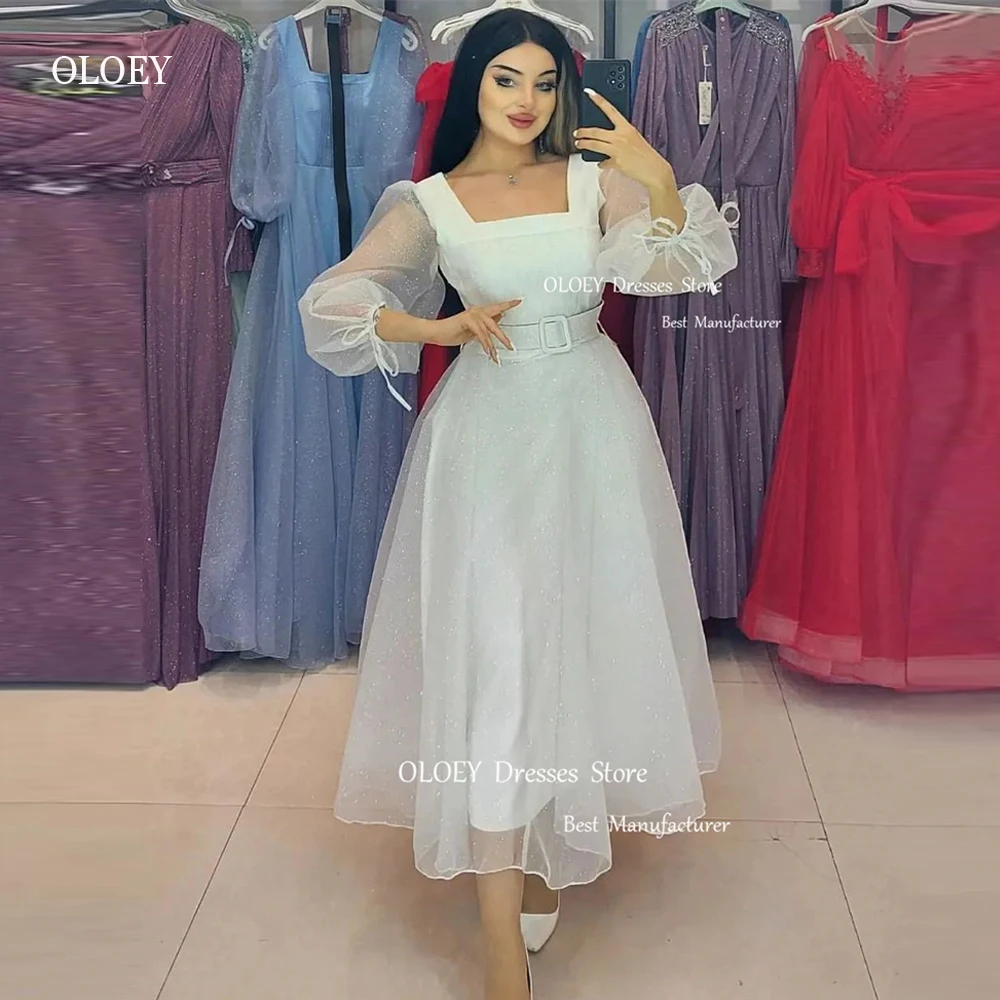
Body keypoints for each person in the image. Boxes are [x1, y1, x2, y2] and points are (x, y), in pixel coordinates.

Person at [298, 10, 736, 1000]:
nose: (527, 100)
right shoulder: (429, 202)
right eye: (506, 79)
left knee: (576, 639)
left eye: (544, 81)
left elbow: (677, 265)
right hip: (488, 442)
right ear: (473, 86)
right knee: (498, 663)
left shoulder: (591, 180)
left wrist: (656, 173)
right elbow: (333, 302)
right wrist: (434, 325)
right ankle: (501, 948)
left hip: (592, 427)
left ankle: (545, 847)